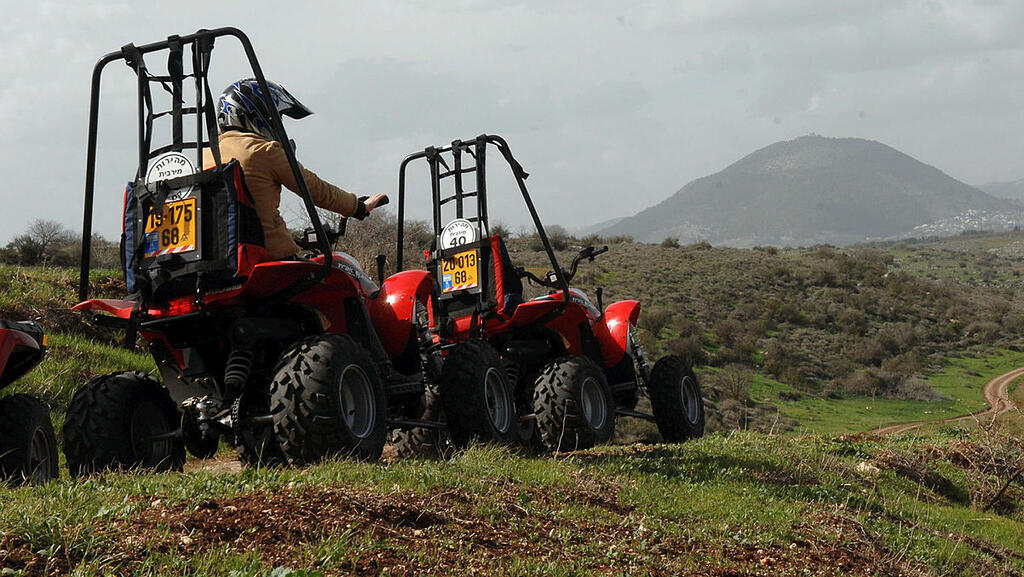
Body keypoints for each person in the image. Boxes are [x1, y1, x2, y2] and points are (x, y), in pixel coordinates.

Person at [204, 78, 387, 260]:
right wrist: (357, 207)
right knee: (343, 278)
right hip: (268, 258)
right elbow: (314, 188)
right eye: (276, 117)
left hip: (218, 263)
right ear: (257, 115)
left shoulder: (203, 157)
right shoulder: (263, 151)